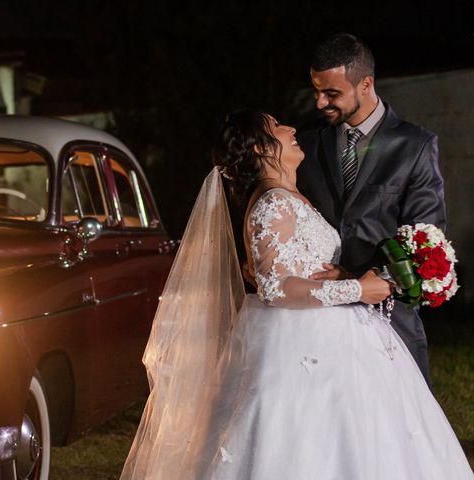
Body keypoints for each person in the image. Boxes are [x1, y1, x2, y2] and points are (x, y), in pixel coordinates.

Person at [120, 109, 472, 479]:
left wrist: (348, 277)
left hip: (332, 335)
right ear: (259, 148)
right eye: (276, 127)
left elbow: (298, 268)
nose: (290, 129)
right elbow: (274, 286)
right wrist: (358, 289)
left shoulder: (291, 196)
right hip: (296, 344)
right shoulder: (272, 202)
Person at [296, 33, 446, 385]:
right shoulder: (303, 141)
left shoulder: (415, 146)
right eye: (316, 91)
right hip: (317, 321)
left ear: (366, 84)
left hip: (388, 321)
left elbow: (427, 234)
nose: (320, 103)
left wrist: (361, 281)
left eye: (332, 93)